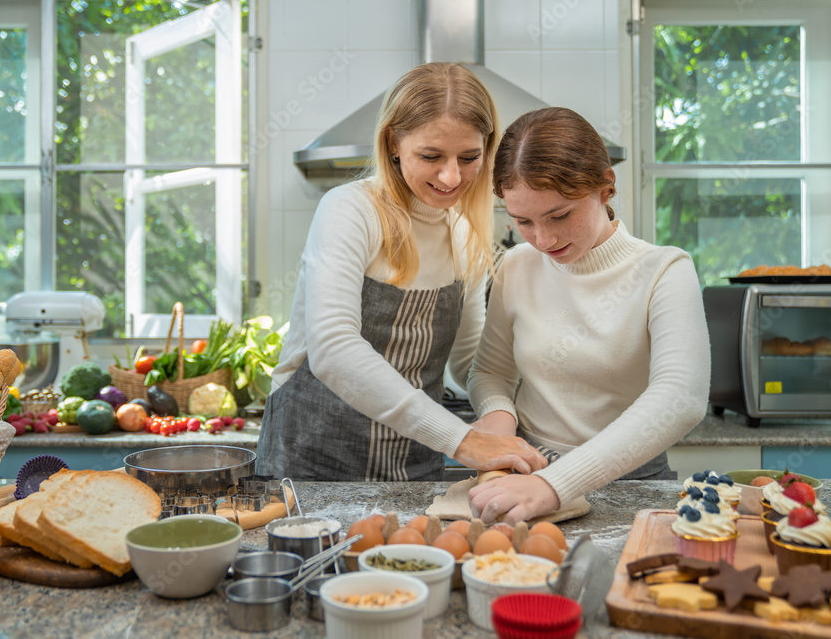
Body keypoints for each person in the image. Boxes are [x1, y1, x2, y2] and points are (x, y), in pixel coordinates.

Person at [256, 62, 546, 481]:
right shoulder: (350, 210)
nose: (452, 176)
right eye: (431, 156)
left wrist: (500, 408)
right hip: (310, 463)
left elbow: (468, 362)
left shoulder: (465, 235)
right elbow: (333, 348)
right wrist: (463, 441)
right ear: (393, 142)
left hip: (411, 469)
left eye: (469, 157)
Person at [466, 107, 711, 523]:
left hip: (631, 482)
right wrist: (499, 416)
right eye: (523, 221)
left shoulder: (665, 270)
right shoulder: (517, 266)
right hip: (527, 473)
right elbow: (490, 372)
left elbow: (681, 398)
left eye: (559, 215)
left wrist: (556, 484)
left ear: (605, 186)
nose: (543, 239)